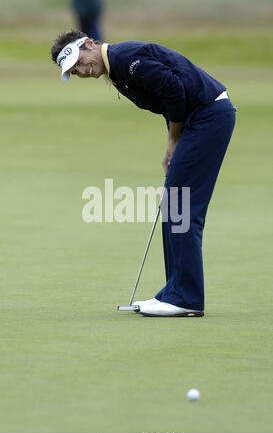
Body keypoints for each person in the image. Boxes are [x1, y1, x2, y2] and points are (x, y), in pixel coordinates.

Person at [51, 31, 236, 318]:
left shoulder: (126, 60)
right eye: (74, 71)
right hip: (200, 119)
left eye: (79, 61)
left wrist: (175, 140)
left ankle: (186, 297)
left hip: (209, 116)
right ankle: (174, 291)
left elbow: (174, 90)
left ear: (88, 44)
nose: (81, 70)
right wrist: (171, 144)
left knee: (181, 207)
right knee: (173, 205)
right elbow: (168, 98)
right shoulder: (116, 71)